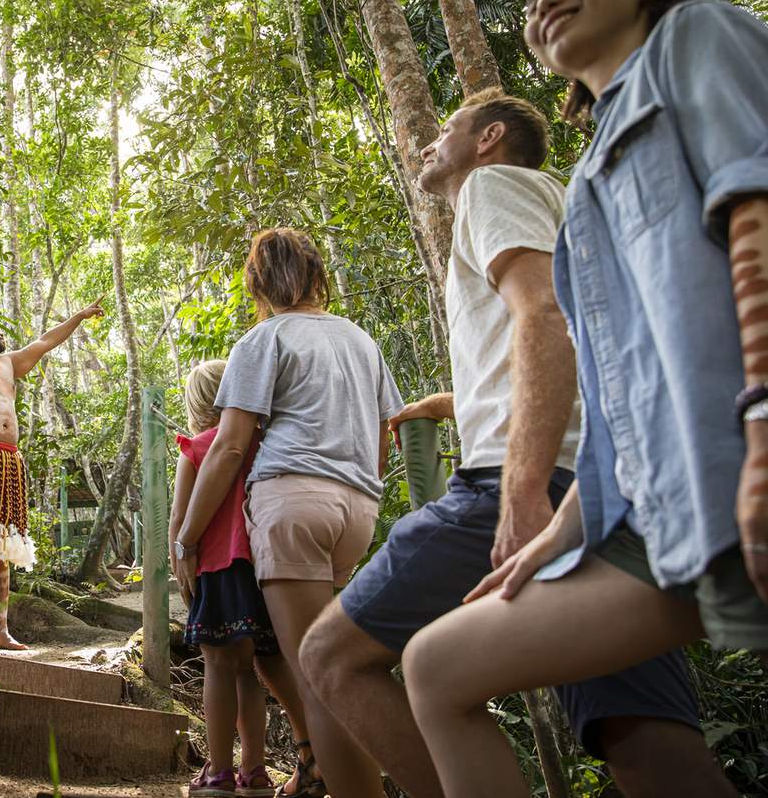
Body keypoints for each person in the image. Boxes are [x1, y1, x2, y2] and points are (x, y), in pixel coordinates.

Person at [402, 0, 768, 795]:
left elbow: (754, 207)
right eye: (530, 0)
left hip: (743, 443)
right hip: (661, 497)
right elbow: (615, 382)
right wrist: (556, 537)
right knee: (438, 666)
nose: (543, 3)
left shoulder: (695, 40)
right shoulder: (587, 180)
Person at [299, 87, 724, 797]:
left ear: (489, 137)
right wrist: (448, 404)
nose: (429, 144)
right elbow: (557, 342)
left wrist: (521, 489)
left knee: (333, 653)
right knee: (640, 733)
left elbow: (542, 311)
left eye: (448, 130)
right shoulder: (562, 204)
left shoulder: (491, 185)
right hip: (598, 481)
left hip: (518, 482)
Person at [173, 227, 404, 798]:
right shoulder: (361, 340)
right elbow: (383, 436)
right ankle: (312, 768)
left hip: (292, 507)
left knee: (317, 674)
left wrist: (186, 538)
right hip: (357, 510)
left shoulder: (263, 340)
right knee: (328, 661)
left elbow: (227, 448)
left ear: (257, 283)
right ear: (316, 274)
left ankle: (345, 781)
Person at [169, 360, 317, 798]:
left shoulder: (197, 449)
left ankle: (217, 772)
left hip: (217, 567)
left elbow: (180, 518)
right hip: (265, 568)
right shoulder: (263, 442)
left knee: (218, 664)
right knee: (251, 669)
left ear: (198, 403)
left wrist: (182, 563)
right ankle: (253, 769)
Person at [0, 304, 102, 650]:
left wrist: (79, 315)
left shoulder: (7, 364)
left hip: (7, 457)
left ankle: (0, 632)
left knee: (1, 544)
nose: (1, 331)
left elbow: (45, 341)